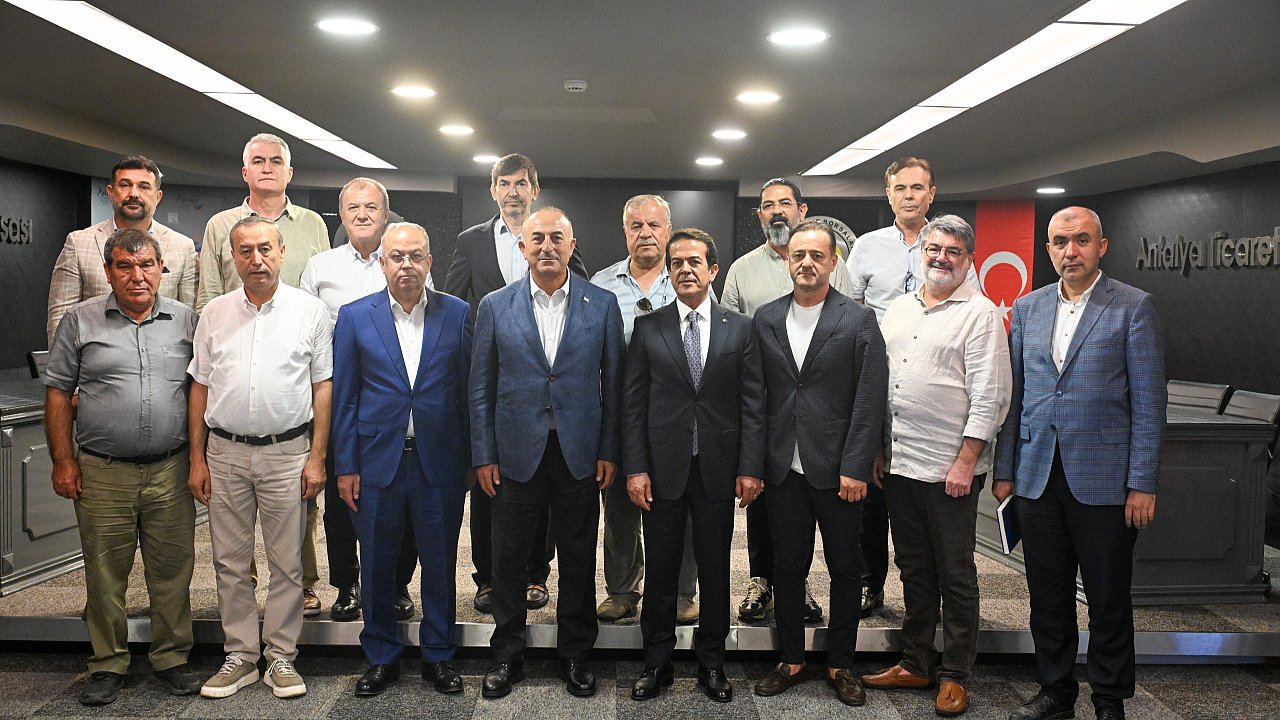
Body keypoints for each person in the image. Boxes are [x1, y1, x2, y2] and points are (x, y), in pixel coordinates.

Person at [995, 207, 1166, 720]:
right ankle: (1055, 692)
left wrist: (1142, 482)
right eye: (1060, 242)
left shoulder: (1133, 306)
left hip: (1106, 481)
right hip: (1036, 477)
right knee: (1047, 597)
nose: (1070, 251)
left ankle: (1109, 700)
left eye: (1081, 240)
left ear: (1101, 246)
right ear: (1048, 249)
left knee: (1108, 599)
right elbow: (1015, 397)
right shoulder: (1027, 308)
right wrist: (1005, 471)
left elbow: (1149, 403)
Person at [469, 207, 623, 699]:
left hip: (580, 452)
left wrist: (609, 449)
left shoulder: (602, 304)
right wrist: (483, 454)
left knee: (578, 556)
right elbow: (480, 387)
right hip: (514, 451)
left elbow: (614, 386)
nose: (547, 246)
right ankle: (507, 654)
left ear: (572, 246)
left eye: (557, 237)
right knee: (508, 557)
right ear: (523, 248)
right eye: (537, 238)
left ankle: (575, 653)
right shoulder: (495, 305)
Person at [861, 215, 1011, 717]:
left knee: (955, 573)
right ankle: (916, 661)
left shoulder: (981, 314)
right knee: (913, 569)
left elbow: (991, 395)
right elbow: (884, 382)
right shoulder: (901, 308)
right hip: (901, 462)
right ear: (921, 253)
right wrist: (880, 449)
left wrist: (967, 460)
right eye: (934, 249)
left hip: (951, 469)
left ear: (969, 259)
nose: (942, 258)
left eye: (953, 251)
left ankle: (955, 674)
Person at [44, 228, 200, 706]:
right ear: (109, 272)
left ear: (161, 269)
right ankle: (107, 663)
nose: (137, 276)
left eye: (147, 265)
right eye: (125, 267)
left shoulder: (187, 322)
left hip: (170, 470)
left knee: (172, 569)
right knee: (104, 572)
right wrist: (63, 460)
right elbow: (57, 393)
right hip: (102, 471)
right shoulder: (80, 321)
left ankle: (171, 657)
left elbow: (202, 390)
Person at [187, 216, 332, 699]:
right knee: (229, 561)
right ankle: (241, 655)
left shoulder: (310, 312)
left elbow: (323, 387)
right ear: (233, 257)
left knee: (287, 563)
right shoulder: (214, 313)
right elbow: (199, 386)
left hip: (287, 454)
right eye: (245, 251)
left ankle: (282, 656)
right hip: (224, 453)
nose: (257, 259)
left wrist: (317, 457)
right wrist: (197, 459)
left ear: (282, 251)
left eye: (265, 249)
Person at [623, 228, 764, 703]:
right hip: (661, 470)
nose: (685, 269)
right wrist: (635, 468)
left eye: (694, 262)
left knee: (715, 569)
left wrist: (750, 466)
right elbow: (633, 406)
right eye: (677, 263)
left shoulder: (740, 328)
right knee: (661, 570)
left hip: (719, 469)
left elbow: (753, 404)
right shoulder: (649, 327)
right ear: (669, 272)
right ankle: (656, 663)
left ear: (713, 270)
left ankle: (712, 664)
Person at [750, 221, 887, 707]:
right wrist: (754, 464)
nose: (806, 263)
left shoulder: (858, 319)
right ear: (787, 261)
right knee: (787, 566)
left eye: (816, 255)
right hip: (782, 469)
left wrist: (856, 465)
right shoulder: (766, 318)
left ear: (832, 262)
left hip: (838, 470)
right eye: (797, 255)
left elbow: (870, 398)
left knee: (845, 567)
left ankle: (841, 663)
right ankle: (790, 659)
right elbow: (756, 397)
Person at [331, 222, 472, 697]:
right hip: (376, 463)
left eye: (415, 256)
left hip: (440, 463)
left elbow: (467, 392)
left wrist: (471, 460)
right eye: (397, 256)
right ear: (382, 263)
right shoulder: (355, 317)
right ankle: (381, 656)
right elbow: (345, 397)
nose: (406, 265)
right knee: (376, 562)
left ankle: (439, 654)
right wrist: (346, 466)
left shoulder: (457, 313)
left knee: (440, 562)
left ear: (430, 262)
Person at [195, 132, 330, 616]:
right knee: (232, 536)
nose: (267, 167)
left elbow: (320, 290)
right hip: (234, 352)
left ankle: (303, 584)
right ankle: (246, 588)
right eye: (258, 160)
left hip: (294, 362)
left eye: (276, 161)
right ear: (245, 171)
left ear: (289, 173)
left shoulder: (313, 224)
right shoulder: (220, 225)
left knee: (298, 506)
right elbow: (207, 295)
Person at [446, 154, 585, 614]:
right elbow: (455, 305)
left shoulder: (556, 235)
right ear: (493, 191)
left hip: (548, 389)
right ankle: (487, 578)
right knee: (491, 488)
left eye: (521, 183)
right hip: (495, 384)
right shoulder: (471, 241)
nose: (512, 191)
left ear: (534, 189)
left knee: (543, 484)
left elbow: (582, 298)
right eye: (504, 183)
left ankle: (535, 574)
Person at [846, 156, 981, 618]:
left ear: (931, 194)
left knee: (924, 514)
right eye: (900, 188)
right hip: (878, 383)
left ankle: (934, 600)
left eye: (917, 187)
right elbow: (850, 312)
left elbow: (971, 309)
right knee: (872, 499)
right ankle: (870, 583)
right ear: (889, 194)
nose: (909, 195)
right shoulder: (866, 247)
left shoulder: (950, 245)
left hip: (933, 384)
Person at [721, 177, 851, 623]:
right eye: (767, 205)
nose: (776, 211)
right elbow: (730, 337)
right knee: (761, 497)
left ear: (802, 210)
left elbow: (846, 323)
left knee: (808, 509)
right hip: (763, 407)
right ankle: (761, 579)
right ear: (759, 215)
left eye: (784, 203)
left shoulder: (834, 263)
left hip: (818, 408)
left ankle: (798, 584)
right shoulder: (741, 270)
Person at [299, 178, 421, 623]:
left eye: (371, 206)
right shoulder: (320, 267)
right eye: (353, 208)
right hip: (339, 397)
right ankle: (347, 584)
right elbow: (306, 332)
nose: (363, 214)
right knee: (342, 498)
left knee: (401, 498)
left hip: (392, 400)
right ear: (342, 215)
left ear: (386, 214)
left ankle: (396, 584)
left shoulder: (403, 258)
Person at [590, 194, 699, 625]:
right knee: (619, 507)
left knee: (681, 506)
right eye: (636, 226)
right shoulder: (601, 285)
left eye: (654, 225)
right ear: (625, 232)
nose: (645, 233)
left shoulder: (688, 278)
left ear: (668, 231)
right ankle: (622, 590)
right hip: (620, 414)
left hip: (677, 417)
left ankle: (681, 591)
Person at [47, 155, 196, 346]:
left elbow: (189, 321)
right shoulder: (78, 244)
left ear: (158, 197)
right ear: (110, 192)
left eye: (144, 187)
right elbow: (60, 320)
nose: (133, 194)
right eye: (125, 185)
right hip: (96, 361)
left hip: (162, 359)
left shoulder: (182, 247)